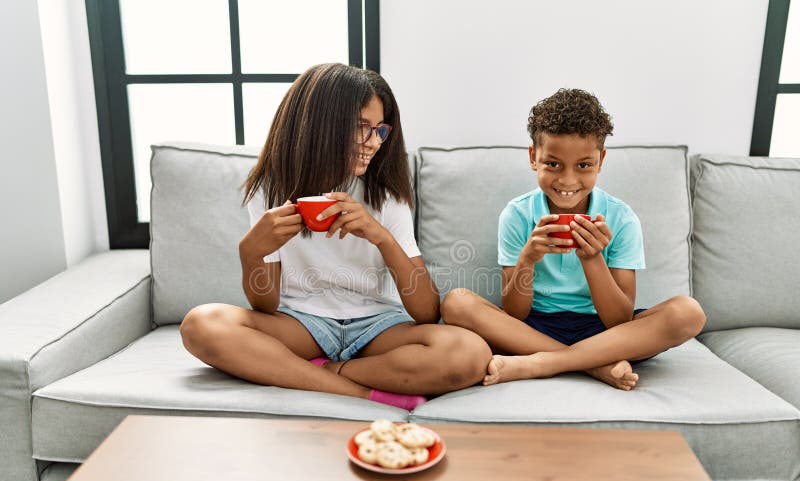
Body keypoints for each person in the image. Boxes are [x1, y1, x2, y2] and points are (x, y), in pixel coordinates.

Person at [180, 63, 491, 410]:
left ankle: (321, 373)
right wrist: (251, 253)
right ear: (320, 125)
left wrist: (382, 238)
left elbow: (425, 312)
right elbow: (265, 307)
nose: (373, 143)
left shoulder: (385, 195)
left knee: (469, 354)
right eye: (361, 128)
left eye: (380, 130)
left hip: (376, 324)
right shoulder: (270, 189)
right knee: (200, 324)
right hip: (300, 324)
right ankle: (362, 394)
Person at [440, 88, 706, 390]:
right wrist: (527, 259)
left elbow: (619, 321)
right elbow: (514, 313)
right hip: (533, 327)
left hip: (604, 333)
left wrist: (592, 259)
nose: (567, 180)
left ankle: (542, 363)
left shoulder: (621, 218)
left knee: (688, 312)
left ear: (601, 160)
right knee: (456, 303)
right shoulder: (517, 214)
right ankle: (592, 365)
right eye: (553, 164)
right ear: (533, 157)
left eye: (583, 165)